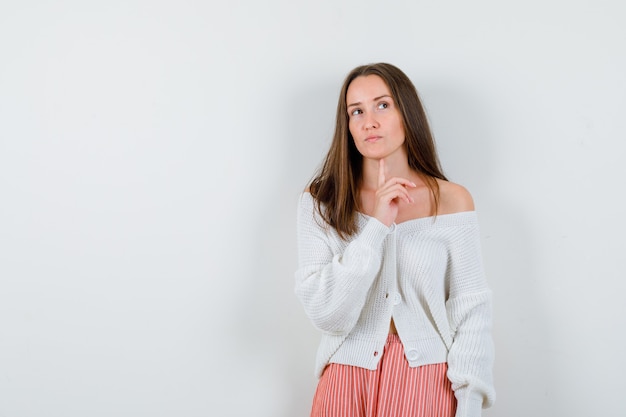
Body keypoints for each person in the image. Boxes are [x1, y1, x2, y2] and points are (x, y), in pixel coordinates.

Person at [294, 63, 495, 417]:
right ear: (349, 127)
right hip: (344, 382)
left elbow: (472, 312)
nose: (369, 120)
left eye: (382, 105)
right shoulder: (321, 201)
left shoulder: (453, 201)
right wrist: (377, 225)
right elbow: (328, 314)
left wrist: (470, 405)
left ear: (407, 114)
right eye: (356, 111)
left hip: (427, 383)